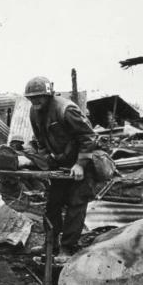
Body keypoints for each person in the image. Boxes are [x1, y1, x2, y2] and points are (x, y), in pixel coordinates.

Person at [25, 76, 97, 260]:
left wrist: (80, 165)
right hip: (60, 165)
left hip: (83, 164)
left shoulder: (66, 109)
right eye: (32, 98)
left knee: (76, 205)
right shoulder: (34, 113)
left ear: (48, 95)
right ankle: (50, 244)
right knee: (53, 204)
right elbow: (40, 141)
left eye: (39, 97)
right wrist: (46, 160)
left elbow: (88, 137)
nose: (35, 101)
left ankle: (67, 249)